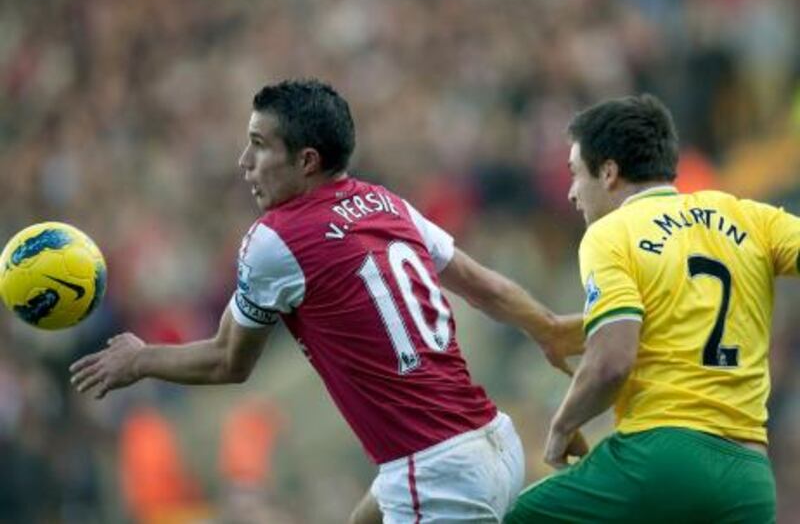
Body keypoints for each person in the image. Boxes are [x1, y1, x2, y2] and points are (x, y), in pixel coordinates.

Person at [69, 79, 584, 523]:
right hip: (494, 439)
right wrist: (547, 327)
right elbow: (484, 286)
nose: (243, 162)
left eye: (258, 146)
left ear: (306, 160)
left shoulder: (276, 237)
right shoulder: (388, 203)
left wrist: (140, 359)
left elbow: (230, 360)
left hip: (436, 473)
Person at [505, 94, 798, 523]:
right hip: (748, 477)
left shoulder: (611, 234)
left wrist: (563, 426)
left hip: (659, 458)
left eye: (575, 174)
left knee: (515, 516)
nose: (571, 194)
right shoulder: (749, 216)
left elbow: (612, 362)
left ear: (608, 172)